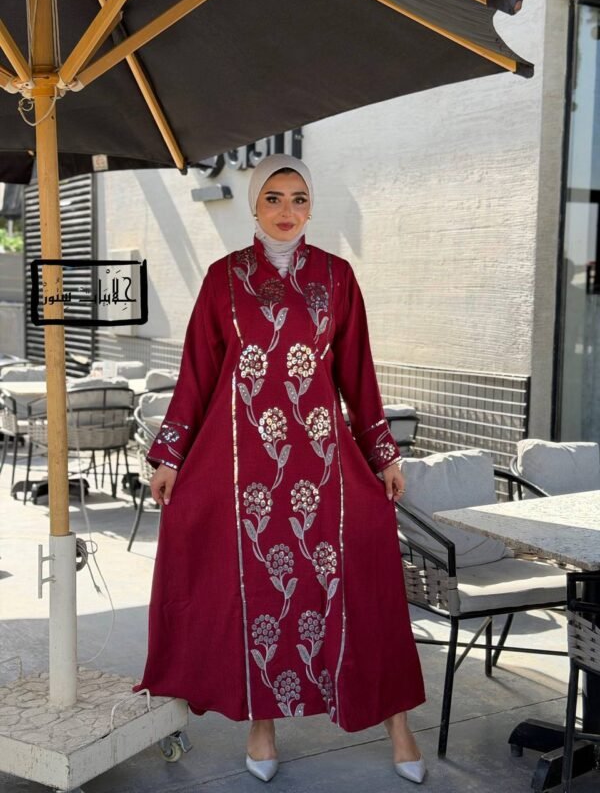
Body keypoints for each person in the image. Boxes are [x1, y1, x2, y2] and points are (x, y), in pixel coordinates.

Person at [135, 154, 426, 784]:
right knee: (257, 589)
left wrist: (383, 453)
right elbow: (197, 373)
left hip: (321, 460)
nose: (287, 211)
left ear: (311, 206)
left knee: (364, 574)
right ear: (254, 206)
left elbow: (358, 372)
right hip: (243, 464)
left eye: (299, 198)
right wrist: (170, 455)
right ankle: (261, 725)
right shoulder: (224, 278)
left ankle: (397, 722)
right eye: (273, 198)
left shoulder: (337, 277)